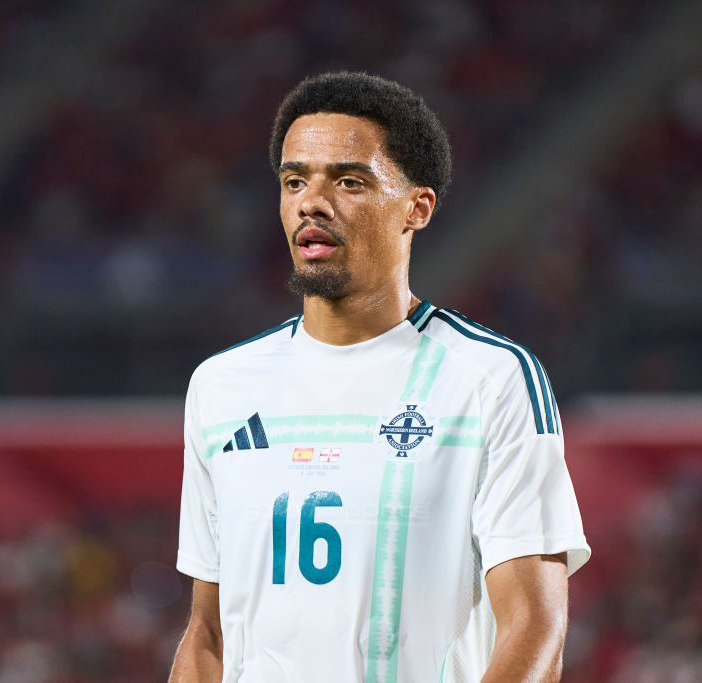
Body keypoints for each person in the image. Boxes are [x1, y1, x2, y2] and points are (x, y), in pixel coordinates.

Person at [169, 71, 590, 683]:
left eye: (348, 181)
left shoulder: (490, 379)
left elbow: (535, 628)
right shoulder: (221, 386)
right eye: (294, 181)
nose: (312, 202)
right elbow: (207, 634)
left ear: (416, 207)